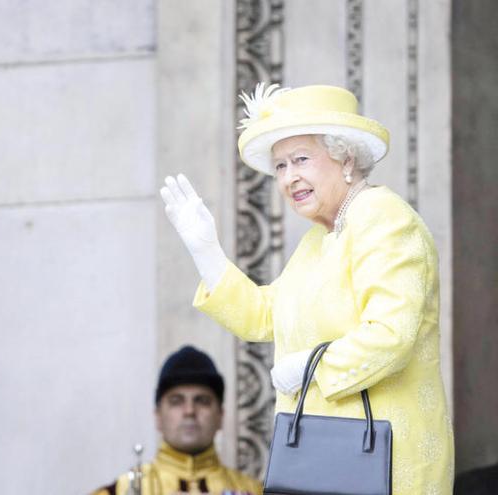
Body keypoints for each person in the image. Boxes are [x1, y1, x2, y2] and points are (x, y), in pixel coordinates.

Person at [160, 83, 454, 493]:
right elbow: (266, 316)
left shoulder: (383, 217)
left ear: (346, 157)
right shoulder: (318, 239)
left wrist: (310, 366)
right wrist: (207, 254)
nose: (289, 177)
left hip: (384, 464)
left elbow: (392, 333)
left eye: (301, 159)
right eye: (280, 166)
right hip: (324, 464)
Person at [92, 346, 262, 495]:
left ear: (220, 416)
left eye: (202, 400)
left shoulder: (254, 490)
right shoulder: (120, 491)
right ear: (158, 416)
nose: (189, 411)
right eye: (176, 401)